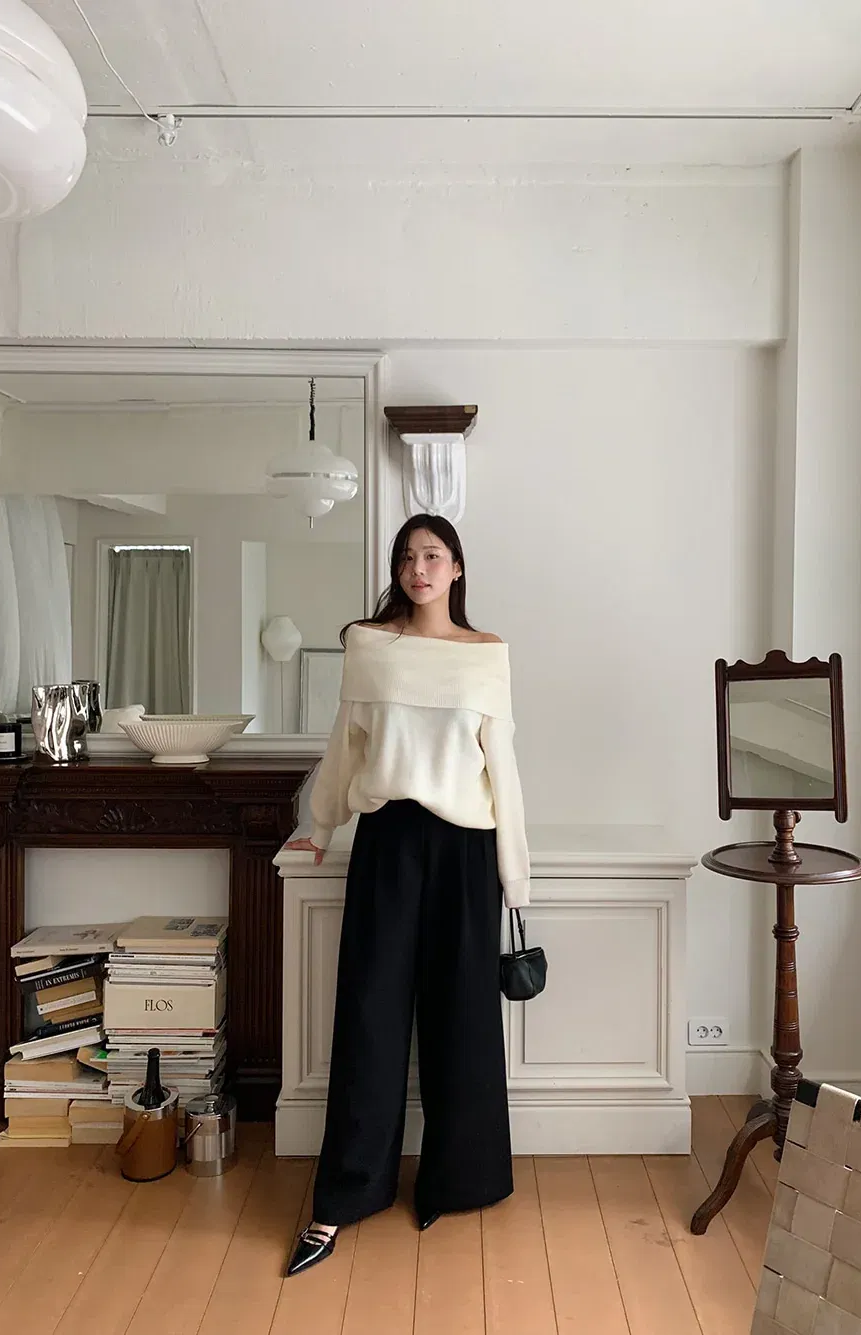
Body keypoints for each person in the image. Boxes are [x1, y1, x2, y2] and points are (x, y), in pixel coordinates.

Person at [284, 513, 529, 1277]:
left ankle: (457, 1182)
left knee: (463, 1018)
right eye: (406, 557)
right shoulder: (370, 646)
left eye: (432, 555)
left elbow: (502, 769)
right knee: (370, 1014)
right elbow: (345, 747)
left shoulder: (487, 654)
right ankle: (343, 1197)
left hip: (467, 848)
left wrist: (516, 875)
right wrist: (319, 825)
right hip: (387, 837)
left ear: (457, 568)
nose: (418, 568)